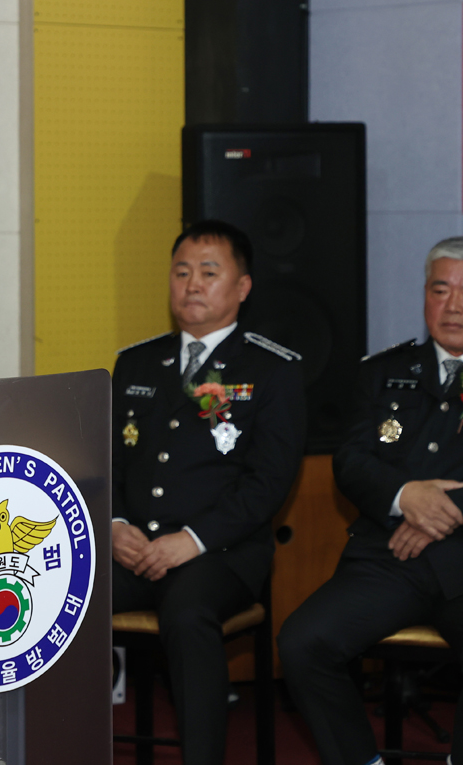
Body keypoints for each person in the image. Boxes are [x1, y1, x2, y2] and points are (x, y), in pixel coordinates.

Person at [278, 236, 463, 765]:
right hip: (392, 558)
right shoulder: (381, 371)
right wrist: (405, 495)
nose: (453, 305)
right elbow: (352, 459)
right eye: (440, 290)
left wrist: (446, 512)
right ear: (425, 297)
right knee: (302, 642)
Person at [111, 219, 306, 765]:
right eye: (181, 272)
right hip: (133, 547)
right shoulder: (137, 362)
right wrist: (115, 525)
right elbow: (107, 461)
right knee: (53, 589)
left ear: (242, 287)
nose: (192, 284)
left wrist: (192, 540)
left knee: (188, 612)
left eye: (208, 272)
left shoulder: (273, 370)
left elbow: (268, 482)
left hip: (221, 553)